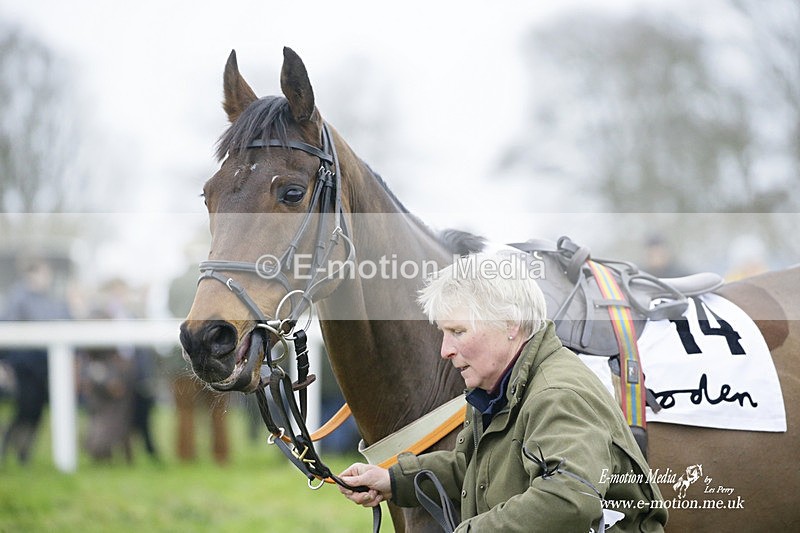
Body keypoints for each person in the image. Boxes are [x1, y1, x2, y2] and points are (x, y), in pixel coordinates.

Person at [338, 252, 667, 532]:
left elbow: (569, 499)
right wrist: (392, 480)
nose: (445, 350)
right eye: (444, 333)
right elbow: (475, 469)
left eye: (458, 331)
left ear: (510, 324)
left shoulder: (557, 394)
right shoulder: (497, 388)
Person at [1, 256, 71, 465]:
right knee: (26, 409)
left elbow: (65, 320)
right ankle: (7, 447)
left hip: (45, 364)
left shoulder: (52, 298)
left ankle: (24, 453)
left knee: (37, 412)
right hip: (24, 364)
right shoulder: (18, 298)